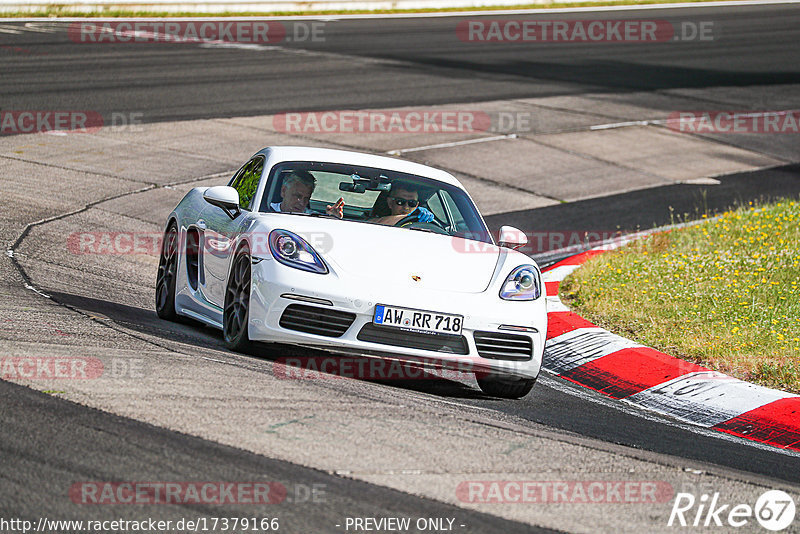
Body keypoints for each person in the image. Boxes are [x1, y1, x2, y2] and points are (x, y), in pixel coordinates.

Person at [270, 170, 344, 218]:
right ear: (283, 191)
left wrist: (332, 217)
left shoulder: (314, 218)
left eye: (306, 198)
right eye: (297, 196)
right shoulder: (266, 210)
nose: (302, 203)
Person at [370, 184, 435, 226]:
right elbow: (375, 223)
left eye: (412, 203)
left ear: (417, 205)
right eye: (400, 202)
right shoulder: (378, 222)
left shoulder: (422, 225)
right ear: (390, 203)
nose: (406, 207)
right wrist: (410, 216)